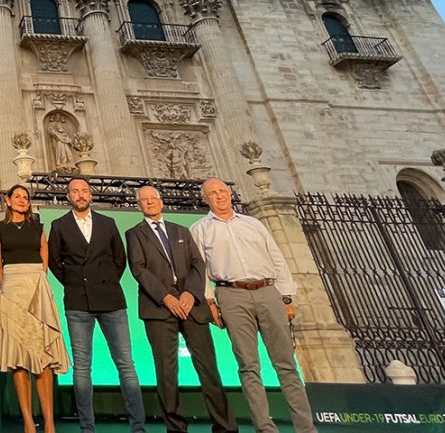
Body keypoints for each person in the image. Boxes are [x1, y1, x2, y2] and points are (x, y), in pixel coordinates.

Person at [190, 178, 317, 433]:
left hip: (268, 291)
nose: (219, 196)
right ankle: (265, 427)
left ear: (230, 194)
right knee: (248, 365)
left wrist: (287, 297)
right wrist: (210, 301)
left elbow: (277, 258)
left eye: (222, 191)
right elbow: (199, 268)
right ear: (205, 199)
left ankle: (305, 427)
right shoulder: (200, 229)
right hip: (231, 294)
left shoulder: (253, 224)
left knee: (287, 364)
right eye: (213, 193)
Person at [127, 186, 236, 433]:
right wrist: (167, 297)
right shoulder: (134, 234)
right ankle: (176, 427)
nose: (149, 202)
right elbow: (139, 269)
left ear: (161, 202)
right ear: (139, 206)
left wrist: (189, 293)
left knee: (208, 367)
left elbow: (198, 263)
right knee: (166, 373)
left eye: (153, 198)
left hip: (192, 306)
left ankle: (225, 426)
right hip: (159, 308)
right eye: (144, 200)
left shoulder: (181, 231)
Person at [48, 177, 146, 433]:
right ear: (68, 196)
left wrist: (107, 281)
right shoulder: (59, 225)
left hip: (112, 300)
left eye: (84, 191)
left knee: (125, 363)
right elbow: (55, 262)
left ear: (90, 195)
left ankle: (138, 427)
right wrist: (74, 282)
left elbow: (119, 259)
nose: (80, 195)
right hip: (78, 302)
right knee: (82, 366)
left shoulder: (107, 222)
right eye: (75, 191)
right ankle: (87, 428)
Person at [0, 184, 69, 433]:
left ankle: (49, 424)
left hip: (37, 289)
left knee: (43, 359)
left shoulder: (38, 226)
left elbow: (44, 257)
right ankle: (27, 423)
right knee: (19, 361)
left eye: (25, 197)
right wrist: (7, 289)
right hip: (12, 290)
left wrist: (38, 283)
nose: (22, 200)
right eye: (18, 197)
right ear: (8, 202)